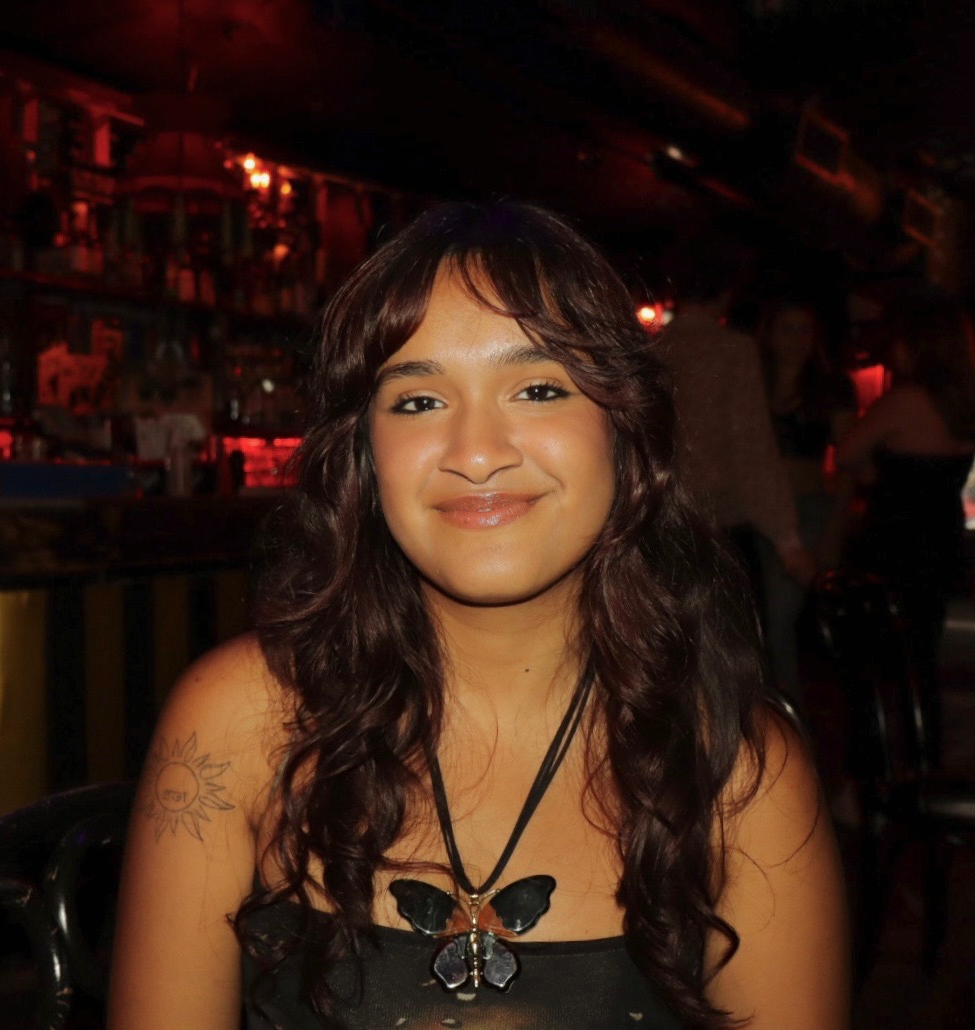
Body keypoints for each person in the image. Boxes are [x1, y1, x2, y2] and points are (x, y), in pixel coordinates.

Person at [109, 201, 849, 1028]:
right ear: (363, 453)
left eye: (537, 389)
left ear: (625, 427)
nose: (476, 453)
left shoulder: (743, 777)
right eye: (418, 401)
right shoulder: (234, 724)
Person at [834, 295, 975, 764]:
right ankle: (924, 754)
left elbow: (846, 453)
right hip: (941, 536)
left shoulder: (903, 402)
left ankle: (878, 764)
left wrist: (872, 475)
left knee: (875, 662)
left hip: (893, 540)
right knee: (923, 656)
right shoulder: (966, 403)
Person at [657, 235, 817, 595]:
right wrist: (788, 542)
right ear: (727, 289)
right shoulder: (733, 351)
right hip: (720, 532)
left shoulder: (652, 351)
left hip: (661, 530)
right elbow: (752, 448)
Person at [754, 300, 858, 700]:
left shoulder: (830, 387)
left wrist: (835, 528)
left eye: (805, 330)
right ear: (770, 335)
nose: (798, 340)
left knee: (781, 618)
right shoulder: (752, 382)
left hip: (809, 509)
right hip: (757, 514)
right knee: (761, 621)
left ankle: (792, 722)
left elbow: (849, 462)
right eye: (788, 329)